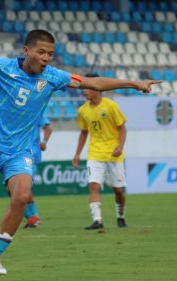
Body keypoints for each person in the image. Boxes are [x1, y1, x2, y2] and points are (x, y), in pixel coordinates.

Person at [0, 16, 160, 281]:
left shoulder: (54, 77)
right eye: (41, 52)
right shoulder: (2, 68)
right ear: (26, 51)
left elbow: (92, 83)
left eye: (51, 53)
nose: (47, 58)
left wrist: (135, 84)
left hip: (21, 150)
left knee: (21, 195)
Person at [72, 73, 128, 231]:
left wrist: (120, 146)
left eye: (87, 87)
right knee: (93, 186)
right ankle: (97, 220)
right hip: (95, 154)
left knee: (118, 190)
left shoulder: (110, 106)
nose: (84, 91)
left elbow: (122, 128)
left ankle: (120, 216)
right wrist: (77, 153)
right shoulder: (82, 110)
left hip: (113, 155)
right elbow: (83, 132)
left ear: (97, 88)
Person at [23, 115, 52, 228]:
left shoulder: (35, 109)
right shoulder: (13, 110)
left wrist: (44, 142)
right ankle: (30, 217)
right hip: (14, 154)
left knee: (24, 186)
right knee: (11, 189)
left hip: (31, 154)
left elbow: (48, 127)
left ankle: (34, 217)